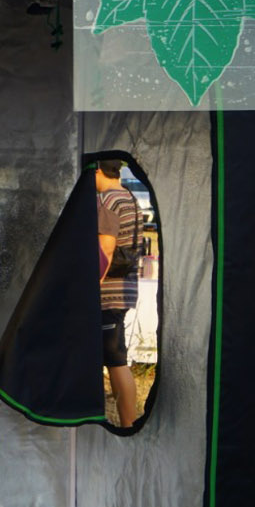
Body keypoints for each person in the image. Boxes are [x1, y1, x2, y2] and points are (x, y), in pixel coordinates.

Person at [96, 160, 142, 428]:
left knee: (115, 359)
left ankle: (127, 424)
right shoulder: (128, 196)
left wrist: (92, 285)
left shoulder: (107, 199)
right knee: (112, 356)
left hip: (108, 292)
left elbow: (106, 249)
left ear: (98, 170)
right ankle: (125, 421)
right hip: (125, 289)